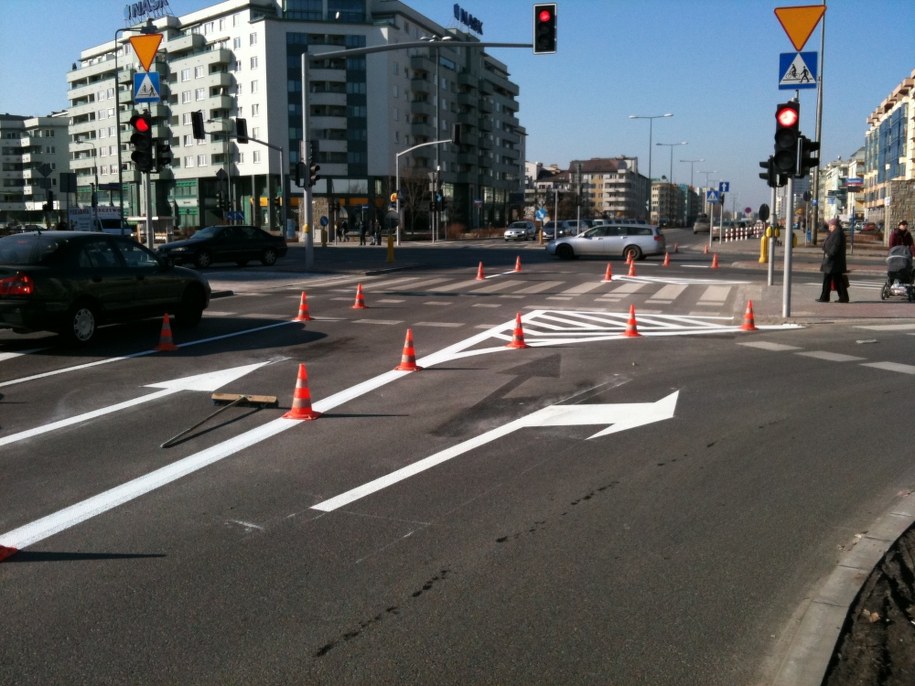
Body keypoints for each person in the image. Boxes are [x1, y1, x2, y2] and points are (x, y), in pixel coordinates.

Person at [817, 217, 849, 303]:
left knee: (830, 279)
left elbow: (835, 246)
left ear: (834, 225)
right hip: (833, 261)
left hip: (833, 261)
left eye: (830, 225)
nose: (829, 227)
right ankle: (842, 297)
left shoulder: (837, 233)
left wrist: (829, 254)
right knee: (837, 279)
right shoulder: (835, 232)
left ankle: (826, 297)